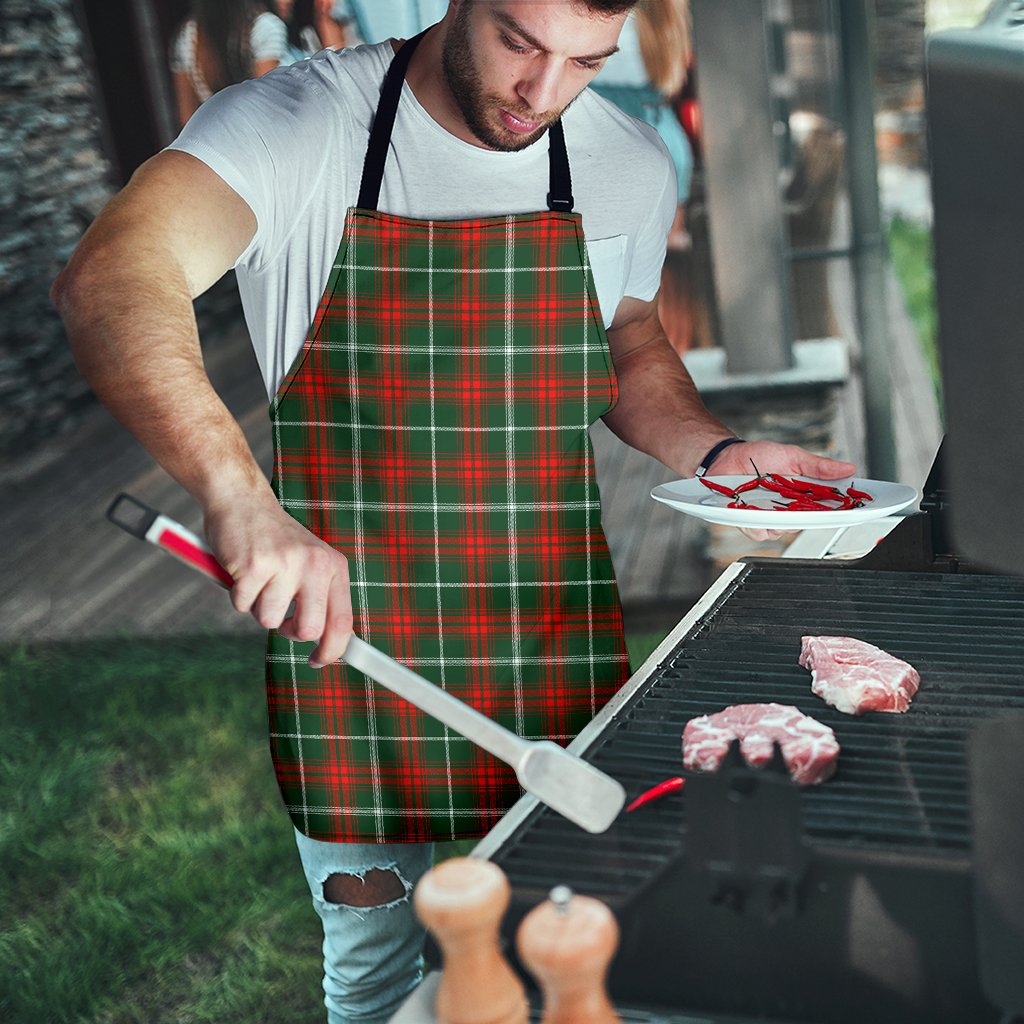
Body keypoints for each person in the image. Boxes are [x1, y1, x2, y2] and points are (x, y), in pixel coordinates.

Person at [53, 2, 855, 1020]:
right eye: (521, 42)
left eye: (585, 62)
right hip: (349, 653)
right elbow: (113, 275)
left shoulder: (625, 161)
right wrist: (237, 497)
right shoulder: (297, 125)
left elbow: (627, 336)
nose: (543, 93)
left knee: (572, 950)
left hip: (548, 637)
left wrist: (718, 450)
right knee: (379, 976)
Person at [170, 0, 289, 126]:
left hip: (216, 138)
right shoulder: (265, 27)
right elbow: (267, 105)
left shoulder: (187, 36)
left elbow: (186, 118)